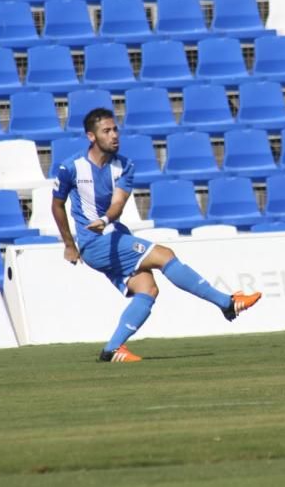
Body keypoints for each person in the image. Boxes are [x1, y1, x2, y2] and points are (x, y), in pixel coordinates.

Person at [51, 107, 262, 363]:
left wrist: (105, 219)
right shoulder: (71, 167)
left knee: (148, 289)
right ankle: (226, 302)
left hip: (112, 235)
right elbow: (56, 205)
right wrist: (69, 244)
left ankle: (112, 350)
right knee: (164, 255)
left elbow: (118, 204)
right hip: (95, 243)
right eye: (106, 131)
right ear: (91, 137)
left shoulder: (124, 166)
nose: (114, 135)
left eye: (115, 129)